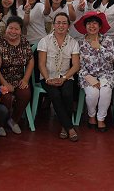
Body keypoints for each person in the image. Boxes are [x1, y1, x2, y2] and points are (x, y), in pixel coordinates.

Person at [38, 13, 80, 141]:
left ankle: (64, 126)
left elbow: (76, 65)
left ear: (68, 26)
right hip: (48, 77)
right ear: (54, 25)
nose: (61, 25)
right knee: (55, 95)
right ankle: (69, 127)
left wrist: (64, 78)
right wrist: (47, 79)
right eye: (58, 23)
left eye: (64, 23)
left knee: (67, 93)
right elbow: (41, 64)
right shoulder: (45, 41)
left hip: (66, 76)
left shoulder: (73, 42)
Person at [0, 16, 34, 135]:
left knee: (25, 93)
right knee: (6, 97)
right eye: (11, 28)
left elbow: (30, 60)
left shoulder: (24, 41)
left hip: (18, 78)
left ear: (20, 30)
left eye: (16, 29)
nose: (13, 31)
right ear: (6, 28)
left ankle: (13, 120)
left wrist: (25, 79)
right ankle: (0, 124)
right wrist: (5, 83)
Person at [74, 11, 114, 132]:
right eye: (89, 24)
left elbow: (111, 58)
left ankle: (101, 118)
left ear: (100, 26)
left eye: (95, 23)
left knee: (105, 91)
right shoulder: (80, 43)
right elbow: (78, 65)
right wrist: (89, 78)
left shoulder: (107, 40)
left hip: (106, 74)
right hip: (87, 75)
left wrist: (99, 48)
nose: (92, 26)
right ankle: (91, 116)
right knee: (93, 93)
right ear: (85, 26)